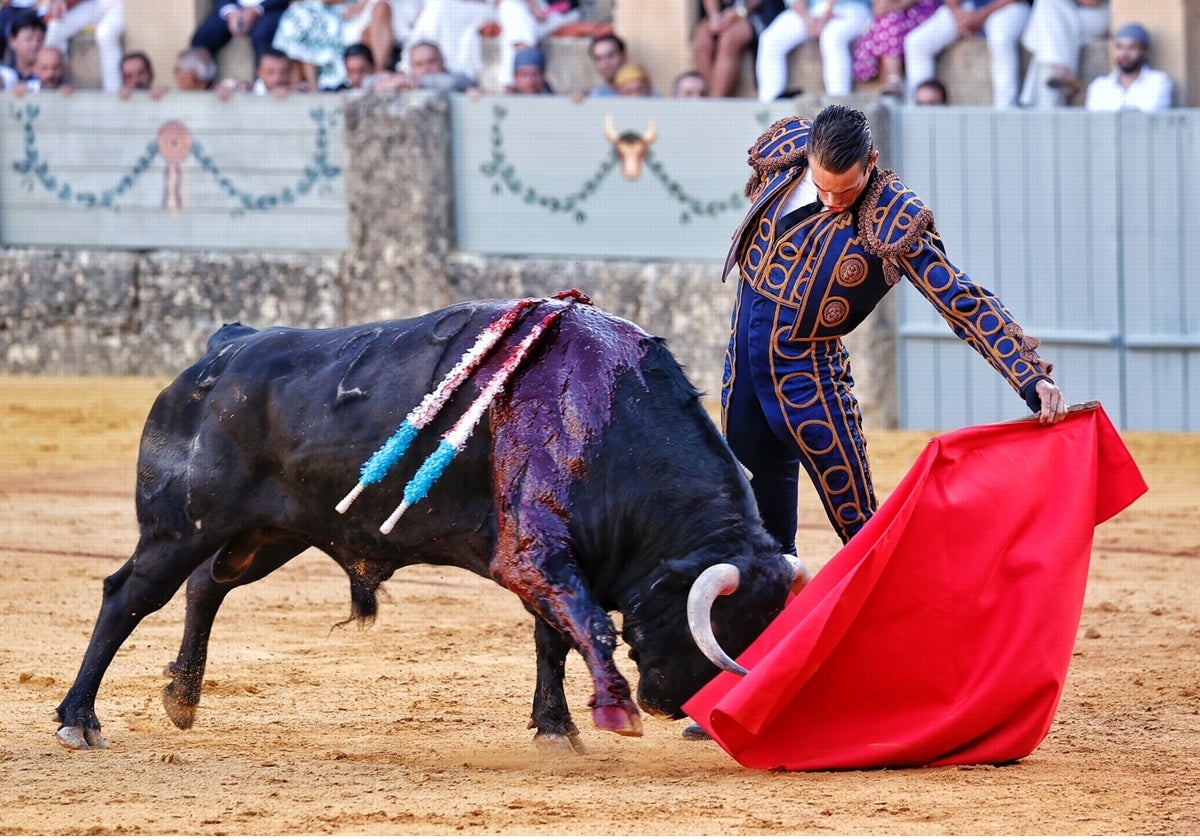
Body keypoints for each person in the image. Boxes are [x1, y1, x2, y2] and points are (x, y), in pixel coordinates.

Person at [721, 104, 1067, 555]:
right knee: (751, 532)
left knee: (862, 528)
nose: (833, 202)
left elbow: (959, 299)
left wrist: (1029, 374)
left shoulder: (891, 216)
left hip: (808, 381)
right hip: (741, 377)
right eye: (824, 188)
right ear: (808, 156)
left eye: (847, 191)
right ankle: (770, 624)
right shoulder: (783, 156)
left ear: (872, 162)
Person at [903, 0, 1028, 109]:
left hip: (1008, 6)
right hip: (966, 9)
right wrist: (959, 16)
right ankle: (920, 106)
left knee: (1001, 39)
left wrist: (979, 16)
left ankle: (1005, 110)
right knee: (916, 43)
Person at [754, 0, 873, 102]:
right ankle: (770, 105)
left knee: (832, 37)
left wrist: (826, 13)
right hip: (811, 10)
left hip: (851, 7)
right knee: (770, 39)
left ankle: (839, 108)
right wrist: (809, 20)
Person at [272, 0, 398, 91]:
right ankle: (313, 90)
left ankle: (375, 76)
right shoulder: (303, 10)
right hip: (328, 21)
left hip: (349, 20)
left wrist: (363, 3)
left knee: (379, 11)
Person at [1018, 0, 1109, 109]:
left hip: (1098, 14)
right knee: (1046, 6)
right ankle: (1063, 70)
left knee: (1048, 35)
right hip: (1068, 14)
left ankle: (1041, 108)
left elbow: (1091, 2)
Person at [691, 0, 784, 98]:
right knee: (701, 40)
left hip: (757, 13)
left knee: (730, 39)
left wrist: (737, 13)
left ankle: (715, 102)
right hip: (723, 14)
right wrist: (714, 16)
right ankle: (706, 99)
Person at [851, 0, 940, 99]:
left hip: (921, 10)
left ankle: (893, 83)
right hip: (895, 13)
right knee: (885, 23)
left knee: (890, 23)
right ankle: (892, 84)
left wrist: (896, 5)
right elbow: (878, 7)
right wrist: (882, 6)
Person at [1084, 21, 1171, 113]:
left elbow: (1152, 115)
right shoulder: (1099, 86)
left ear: (1146, 52)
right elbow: (1094, 123)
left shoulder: (1158, 82)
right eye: (1119, 47)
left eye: (1132, 47)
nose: (1124, 54)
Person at [42, 0, 124, 93]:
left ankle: (113, 96)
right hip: (92, 4)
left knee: (105, 34)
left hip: (117, 4)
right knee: (55, 28)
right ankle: (61, 87)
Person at [191, 0, 295, 68]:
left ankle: (261, 86)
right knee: (203, 36)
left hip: (270, 8)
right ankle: (203, 86)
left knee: (261, 34)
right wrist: (230, 11)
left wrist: (257, 10)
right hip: (233, 6)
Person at [1, 10, 45, 89]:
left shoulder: (52, 74)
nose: (35, 45)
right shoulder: (3, 72)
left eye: (40, 40)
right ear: (12, 41)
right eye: (29, 39)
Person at [582, 31, 624, 97]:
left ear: (624, 56)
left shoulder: (644, 92)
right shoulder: (596, 97)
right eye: (599, 59)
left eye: (610, 55)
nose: (605, 63)